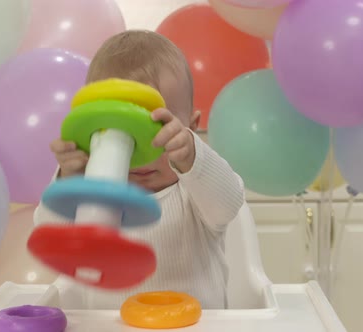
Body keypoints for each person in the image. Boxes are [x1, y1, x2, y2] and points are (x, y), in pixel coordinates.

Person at [33, 30, 246, 310]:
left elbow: (229, 204)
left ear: (191, 128)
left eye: (158, 131)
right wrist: (68, 181)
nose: (141, 153)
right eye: (118, 136)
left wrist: (193, 156)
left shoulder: (194, 194)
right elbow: (49, 233)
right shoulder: (95, 195)